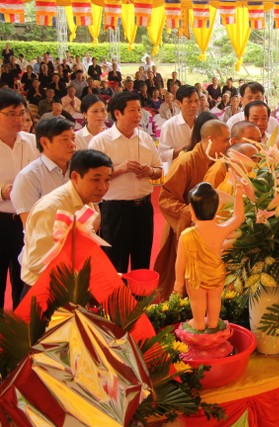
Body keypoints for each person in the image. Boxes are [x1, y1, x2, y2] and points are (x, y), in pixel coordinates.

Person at [155, 119, 230, 300]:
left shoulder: (221, 161)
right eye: (226, 140)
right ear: (210, 140)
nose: (229, 144)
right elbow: (165, 198)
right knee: (184, 279)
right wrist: (192, 212)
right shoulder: (186, 161)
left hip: (211, 230)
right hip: (186, 228)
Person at [88, 91, 162, 273]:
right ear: (117, 113)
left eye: (139, 110)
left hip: (143, 208)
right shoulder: (100, 142)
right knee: (115, 264)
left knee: (142, 263)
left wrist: (150, 171)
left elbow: (159, 170)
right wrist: (120, 169)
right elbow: (92, 178)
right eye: (132, 110)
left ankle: (140, 292)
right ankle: (116, 294)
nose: (138, 115)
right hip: (116, 210)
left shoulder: (146, 138)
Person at [19, 149, 112, 293]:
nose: (103, 187)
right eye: (96, 179)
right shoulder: (52, 208)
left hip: (70, 286)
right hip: (43, 290)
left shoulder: (88, 201)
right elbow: (37, 263)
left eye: (107, 180)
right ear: (75, 177)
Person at [173, 181, 245, 331]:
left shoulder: (186, 235)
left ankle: (199, 323)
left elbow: (180, 262)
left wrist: (178, 283)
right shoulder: (220, 230)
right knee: (214, 298)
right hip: (217, 275)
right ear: (216, 208)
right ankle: (213, 322)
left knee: (197, 300)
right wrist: (238, 196)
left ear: (192, 209)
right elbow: (238, 218)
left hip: (196, 277)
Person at [0, 89, 38, 309]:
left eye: (22, 113)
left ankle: (20, 326)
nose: (19, 119)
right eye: (11, 114)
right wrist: (1, 192)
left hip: (27, 221)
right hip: (1, 218)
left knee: (24, 280)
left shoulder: (33, 142)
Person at [11, 116, 75, 224]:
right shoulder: (28, 177)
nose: (72, 144)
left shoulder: (79, 170)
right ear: (44, 142)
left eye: (73, 138)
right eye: (65, 139)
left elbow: (93, 210)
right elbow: (31, 225)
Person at [159, 85, 199, 163]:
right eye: (189, 101)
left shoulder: (203, 124)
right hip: (177, 169)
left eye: (196, 101)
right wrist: (188, 146)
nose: (194, 105)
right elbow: (163, 155)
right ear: (178, 103)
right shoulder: (169, 126)